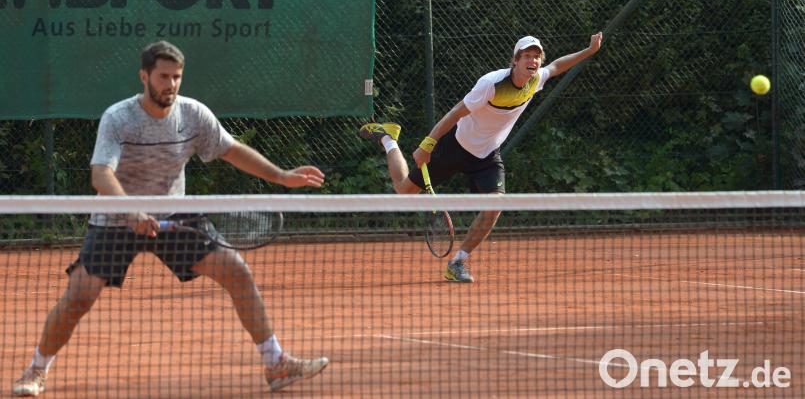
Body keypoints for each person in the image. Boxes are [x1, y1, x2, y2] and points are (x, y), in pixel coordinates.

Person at [12, 41, 328, 397]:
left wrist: (281, 176)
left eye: (177, 77)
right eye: (164, 76)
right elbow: (101, 174)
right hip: (116, 218)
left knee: (236, 271)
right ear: (144, 76)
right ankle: (36, 370)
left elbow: (231, 149)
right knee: (79, 296)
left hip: (174, 213)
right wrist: (130, 211)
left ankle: (276, 363)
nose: (171, 84)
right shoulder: (120, 117)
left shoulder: (193, 114)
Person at [360, 32, 603, 283]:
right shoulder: (491, 84)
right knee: (404, 191)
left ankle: (458, 262)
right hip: (455, 146)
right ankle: (388, 138)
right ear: (516, 61)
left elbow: (557, 66)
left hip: (487, 155)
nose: (534, 61)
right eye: (527, 56)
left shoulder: (536, 79)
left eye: (536, 57)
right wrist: (428, 144)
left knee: (495, 206)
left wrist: (588, 50)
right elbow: (456, 112)